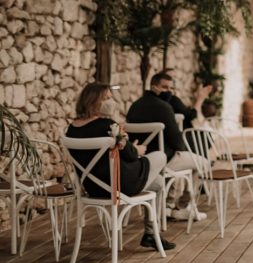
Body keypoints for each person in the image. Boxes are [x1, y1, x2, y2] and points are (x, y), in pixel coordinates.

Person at [66, 83, 175, 250]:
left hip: (94, 188)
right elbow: (131, 155)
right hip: (120, 185)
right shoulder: (108, 126)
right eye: (106, 99)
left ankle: (151, 234)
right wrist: (138, 149)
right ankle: (152, 231)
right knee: (160, 156)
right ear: (93, 101)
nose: (111, 102)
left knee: (158, 183)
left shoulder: (71, 129)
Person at [127, 72, 207, 221]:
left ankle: (168, 206)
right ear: (154, 86)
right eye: (164, 87)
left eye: (170, 88)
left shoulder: (135, 106)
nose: (168, 91)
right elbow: (178, 143)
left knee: (179, 161)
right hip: (163, 160)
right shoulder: (163, 107)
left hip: (142, 161)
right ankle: (182, 207)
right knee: (203, 163)